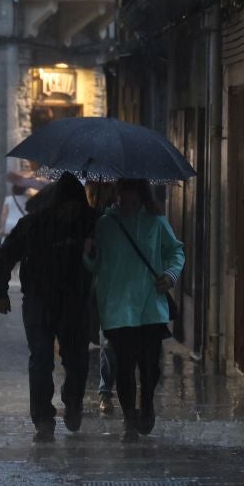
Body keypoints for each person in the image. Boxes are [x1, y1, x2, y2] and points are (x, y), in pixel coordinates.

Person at [0, 173, 98, 443]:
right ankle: (42, 418)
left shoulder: (92, 225)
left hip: (75, 301)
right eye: (67, 206)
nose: (71, 212)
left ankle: (72, 402)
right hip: (39, 299)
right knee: (41, 358)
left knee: (76, 359)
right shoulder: (35, 224)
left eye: (76, 207)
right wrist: (1, 291)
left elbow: (107, 256)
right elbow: (7, 254)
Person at [84, 179, 185, 443]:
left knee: (150, 366)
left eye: (132, 202)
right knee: (125, 366)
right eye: (122, 201)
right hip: (117, 307)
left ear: (141, 197)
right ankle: (129, 420)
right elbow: (95, 265)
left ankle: (147, 401)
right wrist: (88, 254)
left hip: (150, 306)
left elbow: (176, 251)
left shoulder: (156, 222)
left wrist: (171, 275)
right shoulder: (105, 225)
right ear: (116, 197)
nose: (127, 206)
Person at [84, 182, 118, 414]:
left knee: (109, 341)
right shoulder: (85, 219)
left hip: (106, 287)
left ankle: (105, 390)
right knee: (102, 340)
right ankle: (101, 391)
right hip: (90, 289)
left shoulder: (114, 220)